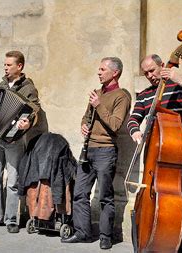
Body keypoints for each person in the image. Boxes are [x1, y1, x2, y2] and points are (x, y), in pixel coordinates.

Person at [61, 57, 131, 250]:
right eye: (98, 69)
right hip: (88, 149)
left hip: (105, 151)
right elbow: (87, 116)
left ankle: (106, 236)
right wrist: (83, 125)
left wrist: (99, 104)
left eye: (102, 69)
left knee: (105, 196)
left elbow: (116, 125)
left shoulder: (121, 96)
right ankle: (82, 233)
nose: (98, 72)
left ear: (115, 72)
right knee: (79, 193)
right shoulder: (97, 93)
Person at [0, 50, 46, 233]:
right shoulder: (2, 84)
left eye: (9, 65)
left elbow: (35, 110)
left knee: (13, 180)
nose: (5, 68)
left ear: (19, 66)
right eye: (5, 65)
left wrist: (27, 123)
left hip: (14, 139)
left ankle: (11, 219)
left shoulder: (28, 87)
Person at [127, 54, 182, 180]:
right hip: (152, 148)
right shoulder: (144, 95)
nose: (149, 76)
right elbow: (133, 119)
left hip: (175, 147)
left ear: (162, 66)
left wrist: (180, 80)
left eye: (152, 70)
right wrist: (135, 131)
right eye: (146, 73)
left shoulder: (179, 86)